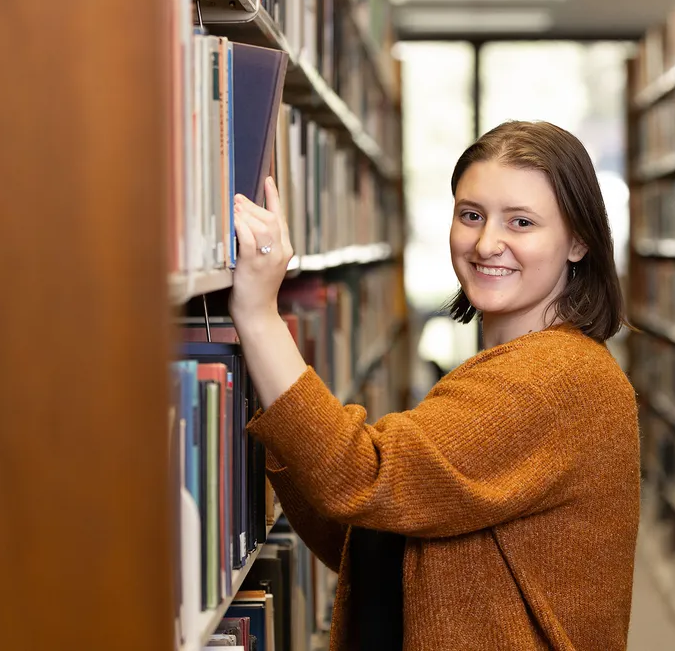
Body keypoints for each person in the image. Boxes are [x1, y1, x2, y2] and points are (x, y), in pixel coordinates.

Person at [229, 120, 640, 650]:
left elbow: (363, 477)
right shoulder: (512, 367)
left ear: (579, 241)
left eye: (521, 222)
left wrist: (260, 316)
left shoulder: (557, 378)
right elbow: (371, 535)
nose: (487, 243)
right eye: (471, 215)